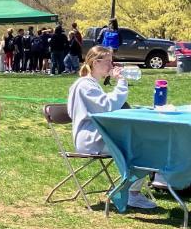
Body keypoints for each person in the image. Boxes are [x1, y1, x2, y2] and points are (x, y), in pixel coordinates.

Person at [66, 46, 157, 209]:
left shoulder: (90, 84)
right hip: (91, 139)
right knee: (142, 148)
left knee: (144, 144)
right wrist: (122, 82)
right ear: (95, 62)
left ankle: (130, 190)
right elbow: (108, 106)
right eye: (108, 61)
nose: (112, 65)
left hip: (100, 135)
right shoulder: (85, 85)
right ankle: (131, 193)